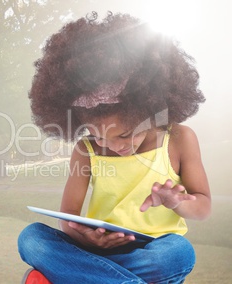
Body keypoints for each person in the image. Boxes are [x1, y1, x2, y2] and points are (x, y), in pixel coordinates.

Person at [17, 11, 211, 284]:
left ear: (150, 109)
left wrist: (178, 201)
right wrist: (85, 235)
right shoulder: (86, 150)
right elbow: (68, 216)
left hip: (151, 250)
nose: (113, 145)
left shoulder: (179, 139)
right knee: (31, 238)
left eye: (125, 134)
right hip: (95, 250)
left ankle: (75, 276)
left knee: (179, 253)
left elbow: (202, 208)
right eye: (98, 136)